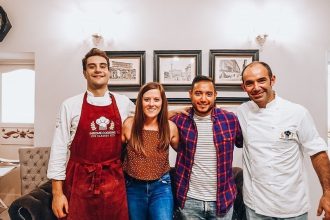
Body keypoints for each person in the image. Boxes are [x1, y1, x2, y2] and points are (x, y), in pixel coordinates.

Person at [47, 48, 135, 220]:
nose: (98, 70)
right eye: (92, 66)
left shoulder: (124, 103)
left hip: (114, 182)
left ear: (109, 72)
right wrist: (58, 194)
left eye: (103, 66)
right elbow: (58, 150)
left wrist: (180, 111)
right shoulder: (70, 105)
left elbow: (149, 119)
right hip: (79, 181)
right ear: (84, 73)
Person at [237, 61, 330, 220]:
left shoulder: (297, 113)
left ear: (272, 80)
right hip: (256, 206)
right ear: (244, 87)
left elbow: (318, 153)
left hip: (292, 207)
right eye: (250, 83)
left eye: (261, 80)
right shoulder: (242, 112)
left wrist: (327, 193)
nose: (256, 87)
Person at [170, 75, 243, 220]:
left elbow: (244, 143)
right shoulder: (179, 120)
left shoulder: (230, 120)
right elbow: (147, 119)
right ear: (190, 94)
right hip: (189, 200)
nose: (203, 99)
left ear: (215, 95)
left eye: (208, 94)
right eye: (198, 93)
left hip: (222, 201)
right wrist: (170, 112)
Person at [121, 82, 179, 220]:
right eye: (147, 100)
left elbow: (185, 153)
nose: (151, 104)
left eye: (156, 100)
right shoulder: (129, 124)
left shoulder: (170, 127)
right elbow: (114, 153)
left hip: (161, 187)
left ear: (162, 102)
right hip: (133, 187)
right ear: (140, 102)